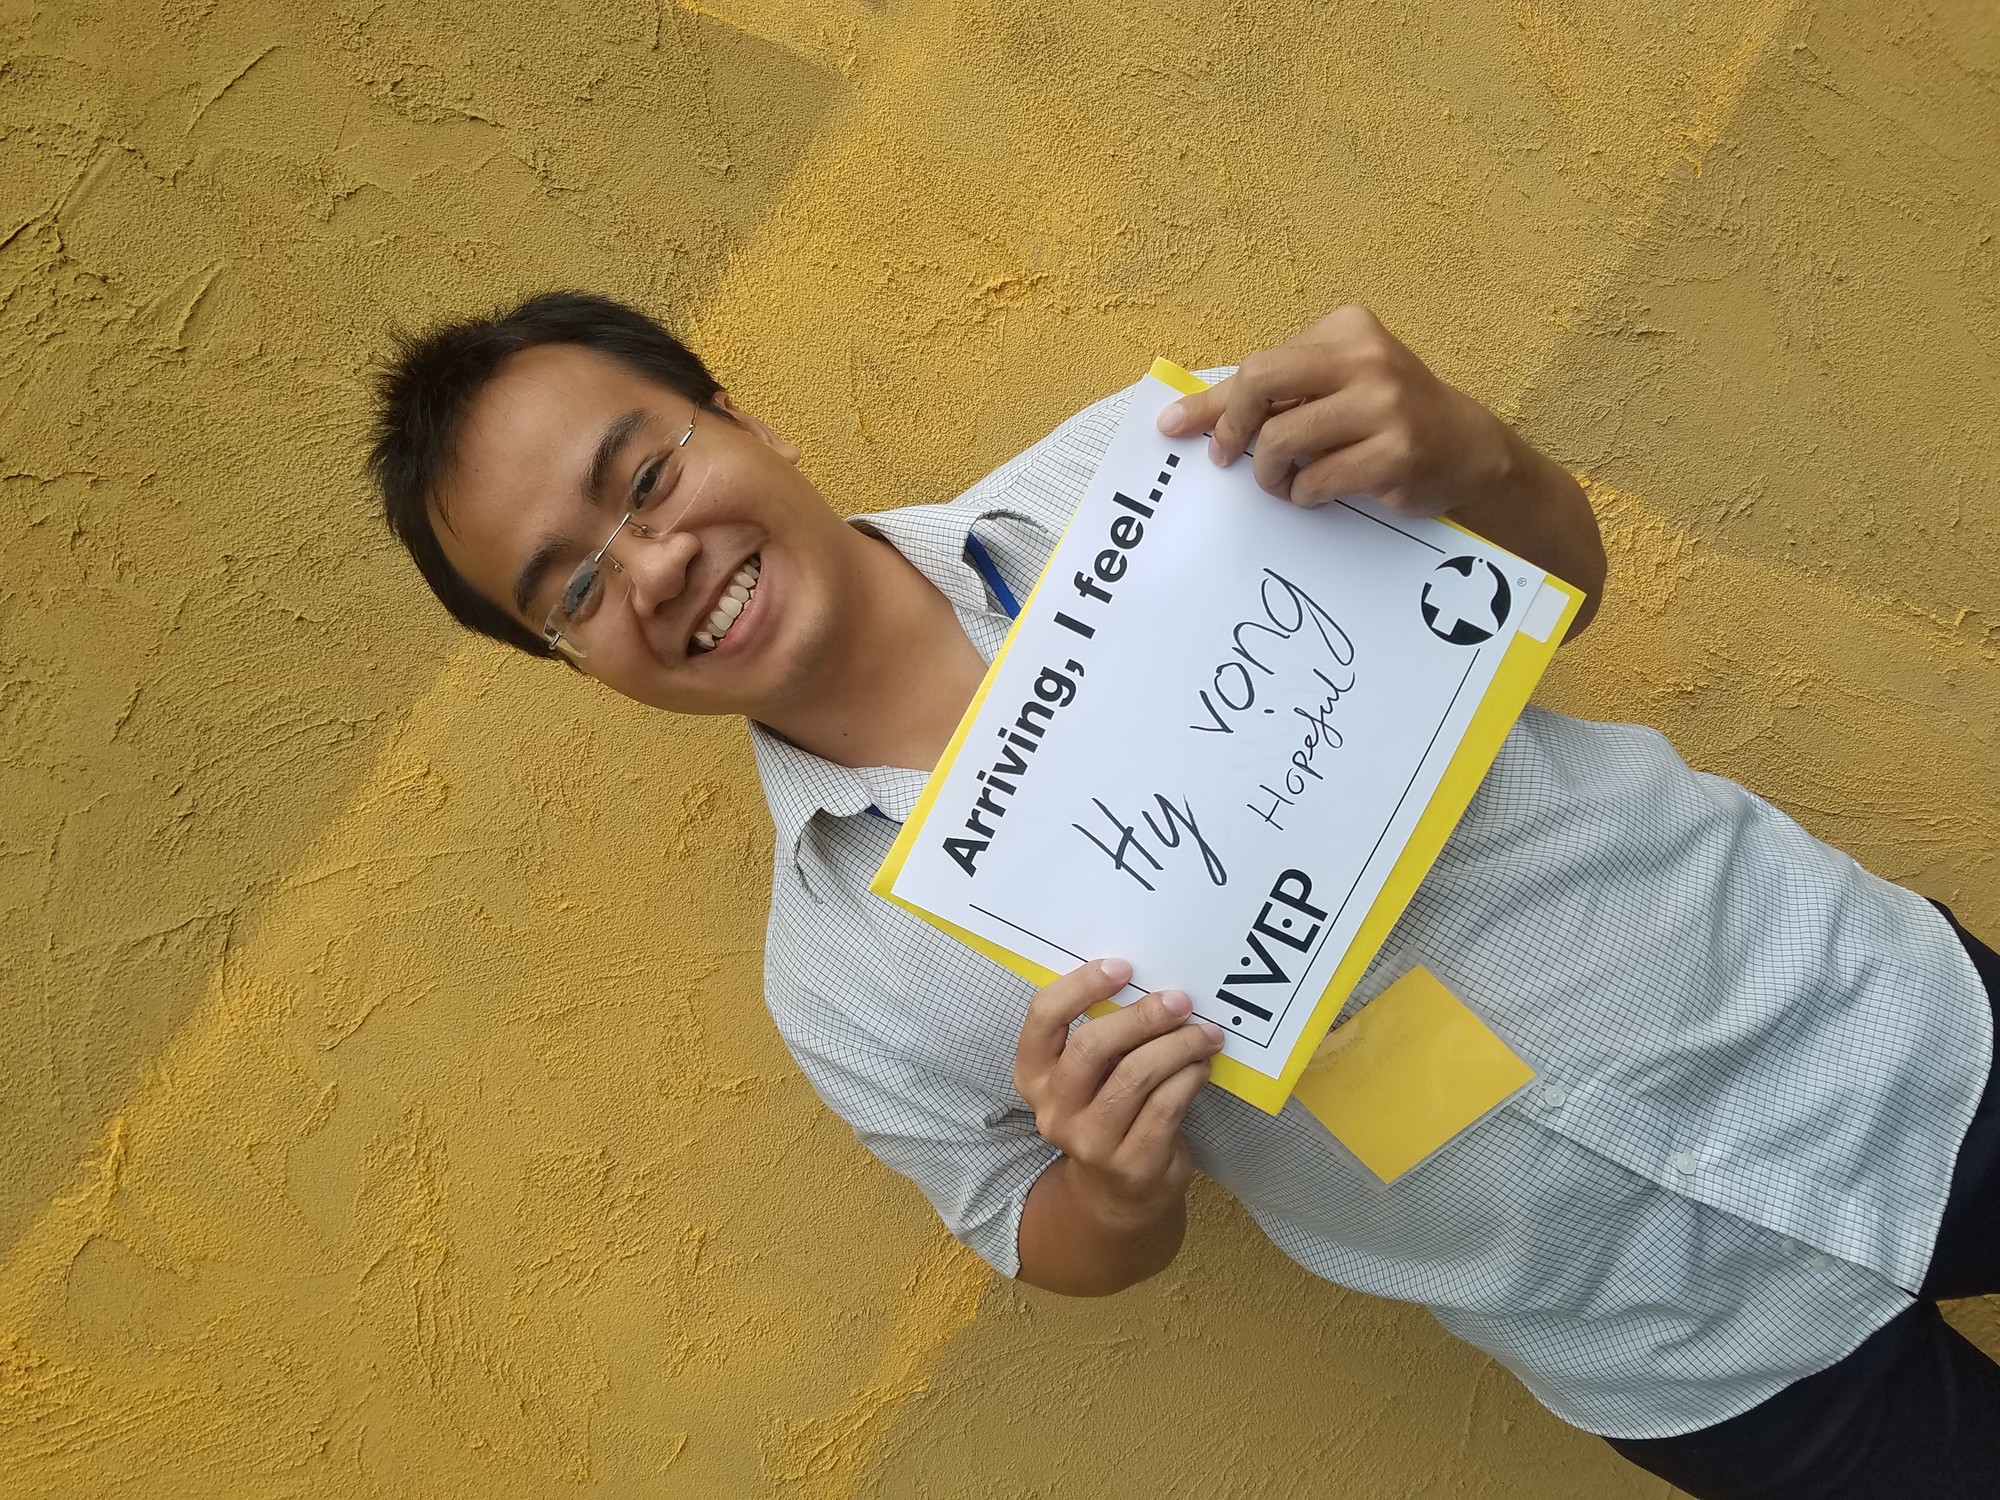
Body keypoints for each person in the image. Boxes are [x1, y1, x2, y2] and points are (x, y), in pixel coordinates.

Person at [369, 291, 2000, 1498]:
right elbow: (1038, 1234)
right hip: (1668, 1345)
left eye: (644, 476)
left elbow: (1555, 589)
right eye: (573, 587)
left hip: (1865, 1029)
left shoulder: (1163, 457)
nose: (651, 567)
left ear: (741, 418)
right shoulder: (835, 972)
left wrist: (1479, 452)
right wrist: (1118, 1182)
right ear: (573, 661)